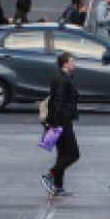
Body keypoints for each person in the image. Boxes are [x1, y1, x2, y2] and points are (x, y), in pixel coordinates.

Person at [41, 52, 80, 198]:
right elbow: (58, 103)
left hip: (58, 121)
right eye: (71, 61)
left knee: (63, 154)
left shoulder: (60, 78)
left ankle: (58, 187)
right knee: (73, 154)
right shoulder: (63, 80)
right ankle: (49, 175)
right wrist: (57, 124)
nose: (73, 63)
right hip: (62, 122)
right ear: (65, 64)